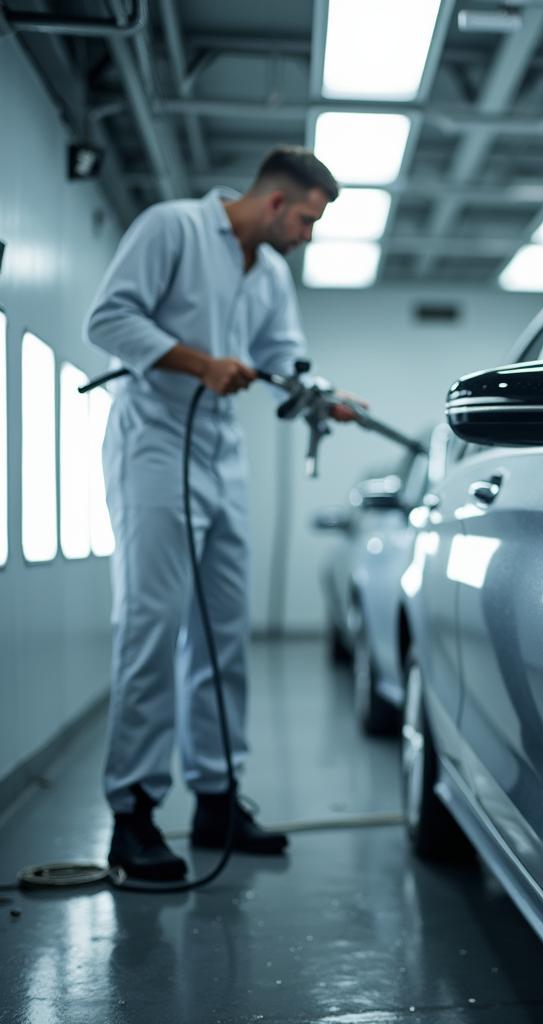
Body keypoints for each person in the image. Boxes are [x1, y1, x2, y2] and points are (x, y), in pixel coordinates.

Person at [84, 146, 361, 880]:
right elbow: (108, 319)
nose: (307, 235)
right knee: (153, 628)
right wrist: (199, 362)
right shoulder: (170, 228)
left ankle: (216, 796)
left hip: (220, 454)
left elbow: (281, 358)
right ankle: (133, 814)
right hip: (154, 443)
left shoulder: (267, 274)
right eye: (306, 219)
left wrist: (317, 394)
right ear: (276, 203)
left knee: (221, 635)